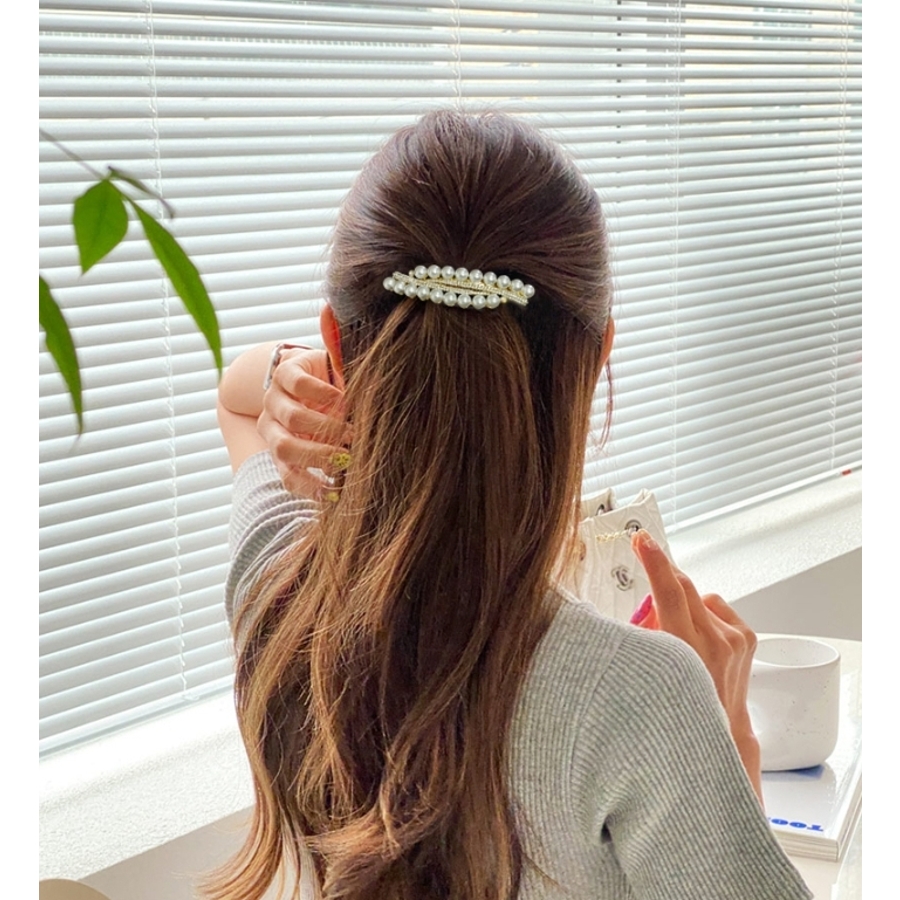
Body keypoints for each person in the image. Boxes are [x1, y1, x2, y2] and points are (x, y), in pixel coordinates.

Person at [212, 110, 811, 900]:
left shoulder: (277, 593)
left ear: (335, 340)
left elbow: (236, 402)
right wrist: (728, 740)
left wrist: (286, 370)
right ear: (597, 356)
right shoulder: (641, 696)